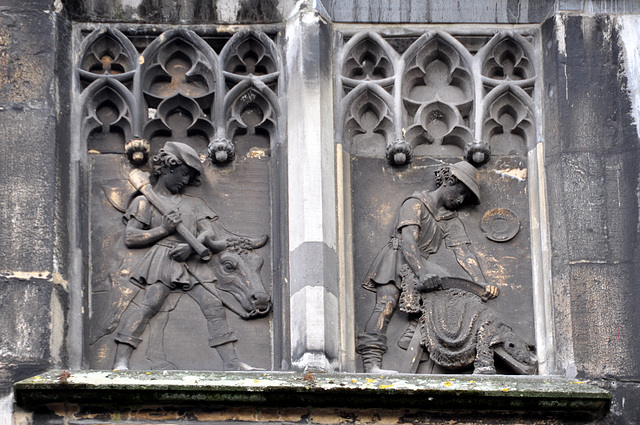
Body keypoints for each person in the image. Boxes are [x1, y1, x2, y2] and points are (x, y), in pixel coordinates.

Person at [113, 141, 255, 371]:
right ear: (168, 167)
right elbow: (130, 238)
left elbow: (209, 232)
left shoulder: (194, 204)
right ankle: (121, 360)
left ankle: (232, 363)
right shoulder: (144, 201)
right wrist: (163, 230)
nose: (186, 181)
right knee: (149, 305)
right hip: (163, 258)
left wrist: (193, 246)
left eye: (189, 176)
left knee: (214, 305)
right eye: (183, 173)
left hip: (193, 257)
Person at [357, 160, 499, 373]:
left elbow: (464, 253)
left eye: (466, 198)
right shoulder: (415, 203)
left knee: (446, 296)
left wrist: (480, 282)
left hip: (422, 263)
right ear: (449, 181)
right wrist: (422, 273)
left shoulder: (449, 219)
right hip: (397, 258)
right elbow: (408, 242)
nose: (461, 200)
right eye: (461, 193)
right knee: (385, 306)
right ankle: (372, 365)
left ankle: (415, 331)